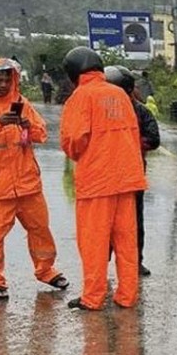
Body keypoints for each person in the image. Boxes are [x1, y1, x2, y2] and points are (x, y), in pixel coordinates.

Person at [0, 58, 71, 302]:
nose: (3, 83)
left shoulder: (22, 103)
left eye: (7, 79)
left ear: (13, 79)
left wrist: (28, 125)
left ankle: (46, 271)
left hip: (28, 185)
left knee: (41, 231)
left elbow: (41, 134)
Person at [59, 46, 147, 310]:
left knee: (94, 242)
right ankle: (127, 295)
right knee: (126, 242)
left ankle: (93, 297)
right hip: (127, 179)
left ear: (73, 72)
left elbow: (74, 141)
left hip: (97, 182)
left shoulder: (80, 97)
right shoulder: (120, 95)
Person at [105, 65, 160, 277]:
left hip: (132, 175)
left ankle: (135, 261)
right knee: (103, 223)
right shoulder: (103, 110)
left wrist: (129, 143)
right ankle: (102, 261)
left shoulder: (140, 111)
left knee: (133, 221)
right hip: (104, 175)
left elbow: (153, 139)